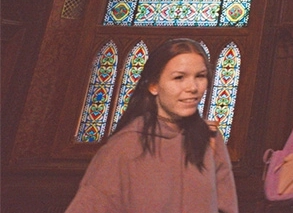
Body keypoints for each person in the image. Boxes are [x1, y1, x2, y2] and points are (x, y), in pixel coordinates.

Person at [66, 38, 238, 213]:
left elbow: (227, 207)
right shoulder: (123, 147)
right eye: (179, 77)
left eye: (200, 76)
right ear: (153, 85)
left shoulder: (210, 139)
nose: (193, 87)